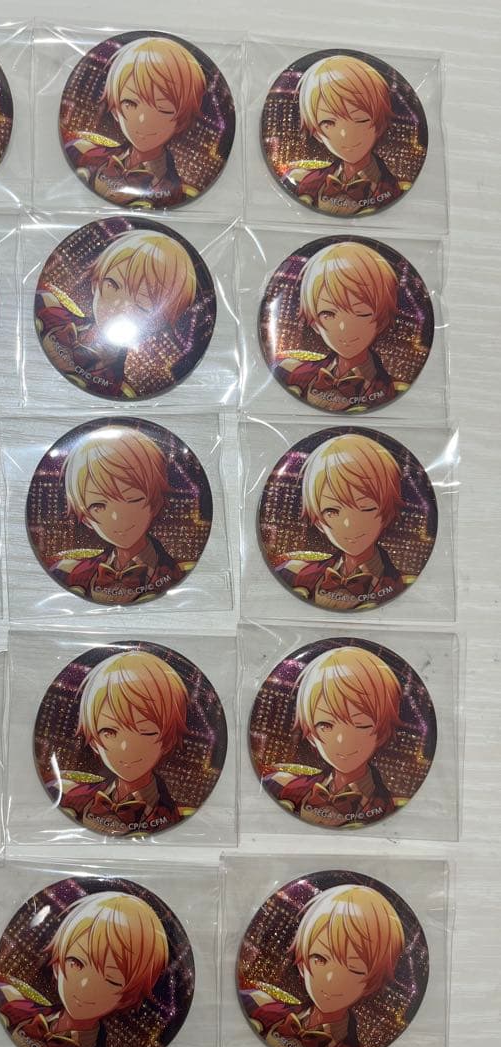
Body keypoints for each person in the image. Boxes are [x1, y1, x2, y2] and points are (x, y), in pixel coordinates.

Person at [0, 891, 168, 1047]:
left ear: (126, 998)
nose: (84, 986)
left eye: (110, 980)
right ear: (58, 964)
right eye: (75, 963)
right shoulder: (8, 1002)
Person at [241, 884, 405, 1047]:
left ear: (370, 984)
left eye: (354, 969)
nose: (330, 979)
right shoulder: (256, 1005)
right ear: (302, 962)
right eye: (319, 959)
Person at [36, 229, 197, 397]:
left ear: (157, 324)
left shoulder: (121, 392)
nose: (119, 305)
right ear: (96, 282)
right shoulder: (48, 308)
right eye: (112, 285)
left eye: (142, 306)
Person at [263, 647, 401, 827]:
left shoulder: (390, 811)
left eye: (361, 725)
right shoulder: (284, 788)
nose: (341, 740)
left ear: (382, 732)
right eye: (325, 725)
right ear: (310, 733)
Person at [49, 426, 189, 604]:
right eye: (98, 506)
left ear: (155, 502)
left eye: (132, 499)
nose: (116, 518)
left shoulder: (181, 573)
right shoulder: (66, 572)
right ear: (86, 518)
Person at [54, 651, 188, 834]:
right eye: (109, 732)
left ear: (168, 740)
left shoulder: (175, 818)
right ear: (93, 740)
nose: (125, 747)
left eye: (146, 732)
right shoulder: (73, 798)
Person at [66, 36, 206, 207]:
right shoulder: (80, 152)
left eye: (163, 109)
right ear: (115, 109)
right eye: (129, 103)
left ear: (181, 119)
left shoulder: (182, 195)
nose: (143, 120)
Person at [275, 433, 408, 611]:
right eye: (331, 511)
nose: (348, 524)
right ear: (318, 520)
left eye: (366, 508)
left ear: (387, 512)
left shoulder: (404, 587)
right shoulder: (291, 572)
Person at [275, 242, 401, 411]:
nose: (343, 328)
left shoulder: (394, 391)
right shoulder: (290, 371)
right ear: (314, 322)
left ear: (381, 320)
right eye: (328, 314)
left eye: (361, 313)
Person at [286, 54, 403, 216]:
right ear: (317, 133)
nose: (344, 134)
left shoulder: (391, 190)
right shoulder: (309, 183)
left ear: (380, 124)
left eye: (360, 120)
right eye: (328, 123)